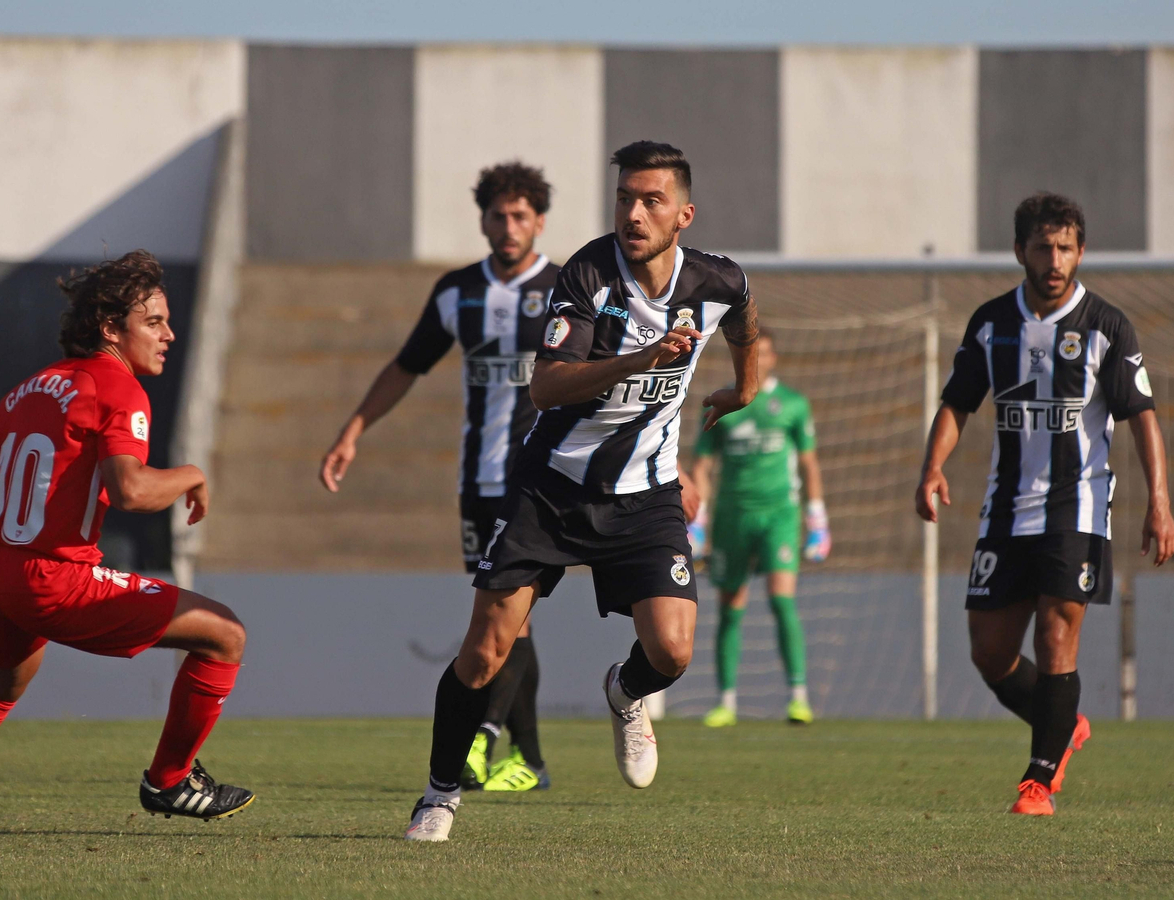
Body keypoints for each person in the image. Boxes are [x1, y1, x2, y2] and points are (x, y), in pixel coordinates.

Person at [404, 140, 761, 841]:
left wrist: (743, 390)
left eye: (650, 199)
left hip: (647, 494)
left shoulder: (718, 282)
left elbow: (746, 320)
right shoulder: (589, 275)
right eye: (625, 196)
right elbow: (545, 384)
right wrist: (639, 358)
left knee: (673, 650)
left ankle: (624, 691)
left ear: (683, 213)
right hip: (553, 489)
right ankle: (439, 794)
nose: (633, 211)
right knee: (484, 650)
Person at [0, 251, 254, 829]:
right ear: (111, 329)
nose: (169, 335)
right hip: (53, 578)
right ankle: (171, 781)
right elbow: (130, 489)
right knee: (224, 635)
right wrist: (192, 475)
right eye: (153, 322)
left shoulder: (34, 386)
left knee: (2, 682)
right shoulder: (120, 389)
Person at [914, 192, 1174, 816]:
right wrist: (931, 467)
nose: (1055, 259)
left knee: (1059, 634)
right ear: (1020, 252)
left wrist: (1159, 502)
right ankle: (1063, 723)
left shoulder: (1107, 327)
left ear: (1081, 251)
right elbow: (957, 403)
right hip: (1006, 509)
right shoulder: (990, 324)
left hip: (1078, 508)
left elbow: (1142, 417)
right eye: (1043, 247)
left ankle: (1037, 782)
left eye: (1066, 247)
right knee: (989, 652)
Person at [320, 162, 556, 792]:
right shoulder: (458, 292)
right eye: (497, 216)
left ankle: (482, 743)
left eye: (520, 215)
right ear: (482, 220)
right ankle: (529, 763)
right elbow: (406, 367)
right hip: (476, 481)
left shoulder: (565, 290)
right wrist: (353, 431)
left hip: (538, 480)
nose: (508, 227)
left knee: (512, 615)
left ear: (540, 221)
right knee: (505, 619)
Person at [687, 333, 829, 727]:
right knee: (731, 608)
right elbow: (702, 466)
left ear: (774, 358)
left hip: (779, 515)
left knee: (782, 600)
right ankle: (726, 702)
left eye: (764, 352)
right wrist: (697, 524)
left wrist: (817, 520)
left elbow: (809, 464)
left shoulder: (793, 405)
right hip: (732, 516)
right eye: (752, 352)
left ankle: (798, 698)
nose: (758, 358)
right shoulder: (723, 403)